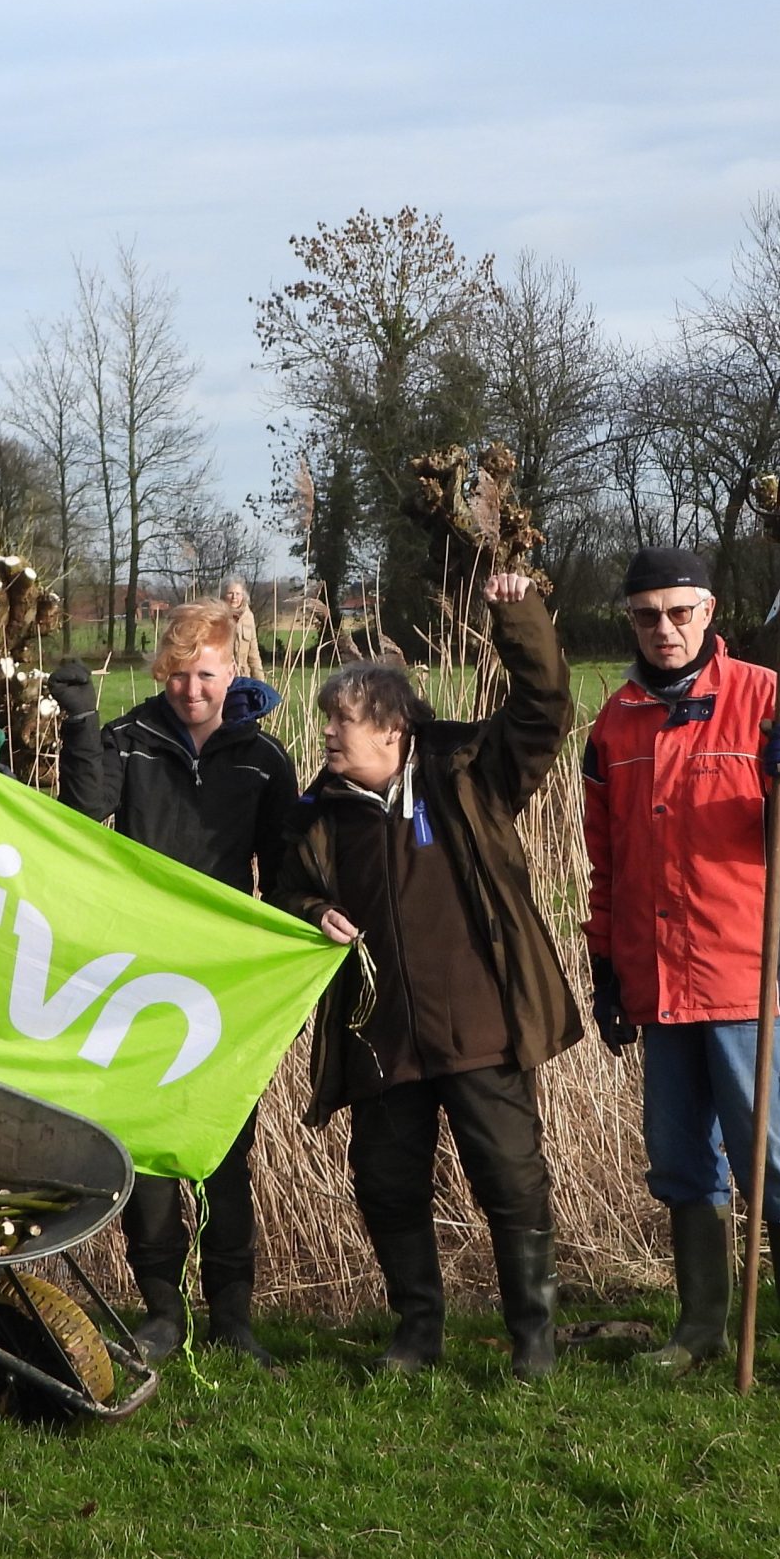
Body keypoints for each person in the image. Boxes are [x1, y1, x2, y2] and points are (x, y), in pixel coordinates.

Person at [277, 571, 582, 1381]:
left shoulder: (471, 775)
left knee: (511, 1181)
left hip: (481, 1029)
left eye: (342, 724)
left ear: (394, 729)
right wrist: (312, 913)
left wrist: (516, 616)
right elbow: (287, 889)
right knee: (385, 1185)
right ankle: (417, 1333)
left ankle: (534, 1339)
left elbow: (546, 705)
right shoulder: (320, 814)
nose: (329, 739)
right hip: (384, 1043)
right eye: (327, 725)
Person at [582, 547, 780, 1383]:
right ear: (629, 620)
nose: (664, 629)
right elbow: (606, 861)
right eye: (646, 615)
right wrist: (606, 966)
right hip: (657, 978)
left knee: (773, 1151)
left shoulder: (769, 700)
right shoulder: (615, 723)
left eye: (679, 612)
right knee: (677, 1155)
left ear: (708, 613)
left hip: (749, 976)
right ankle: (701, 1324)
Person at [51, 600, 301, 1365]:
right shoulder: (129, 744)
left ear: (233, 673)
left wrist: (308, 928)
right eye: (179, 674)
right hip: (142, 978)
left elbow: (287, 875)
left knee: (227, 1155)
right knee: (150, 1156)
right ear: (161, 672)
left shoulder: (265, 761)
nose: (192, 690)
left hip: (223, 987)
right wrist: (79, 724)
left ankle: (233, 1317)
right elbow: (84, 811)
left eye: (207, 675)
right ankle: (161, 1309)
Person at [220, 580, 266, 682]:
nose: (234, 597)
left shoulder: (248, 617)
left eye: (238, 594)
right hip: (222, 678)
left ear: (243, 596)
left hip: (243, 678)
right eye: (230, 593)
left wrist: (261, 682)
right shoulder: (217, 616)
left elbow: (253, 654)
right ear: (223, 595)